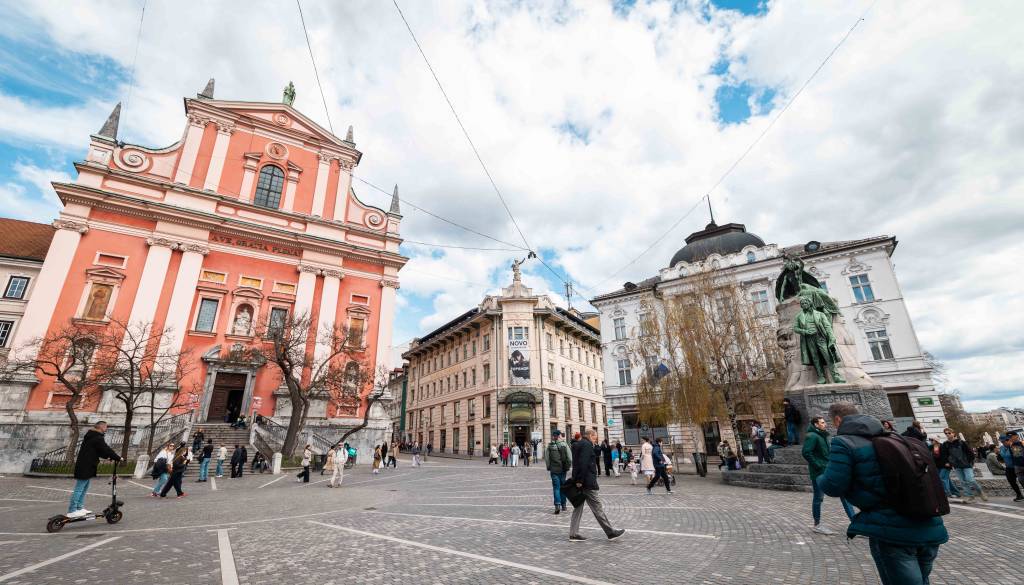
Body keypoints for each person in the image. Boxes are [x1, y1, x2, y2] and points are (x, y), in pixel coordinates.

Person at [817, 402, 947, 585]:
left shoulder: (843, 442)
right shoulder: (898, 438)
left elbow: (833, 485)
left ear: (837, 420)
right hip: (929, 522)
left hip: (892, 530)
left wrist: (819, 478)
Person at [568, 429, 625, 542]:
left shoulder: (579, 444)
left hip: (580, 481)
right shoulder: (586, 445)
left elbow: (577, 463)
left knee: (578, 507)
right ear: (590, 435)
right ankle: (610, 532)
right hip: (586, 482)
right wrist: (580, 480)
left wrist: (577, 479)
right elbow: (583, 463)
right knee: (597, 507)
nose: (596, 438)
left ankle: (573, 534)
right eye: (595, 437)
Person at [802, 416, 856, 534]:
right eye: (822, 422)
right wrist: (818, 465)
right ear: (816, 425)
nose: (825, 424)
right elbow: (806, 452)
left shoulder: (823, 435)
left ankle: (855, 523)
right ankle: (817, 525)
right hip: (819, 472)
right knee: (818, 498)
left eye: (824, 422)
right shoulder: (812, 436)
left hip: (829, 469)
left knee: (844, 494)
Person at [68, 421, 121, 517]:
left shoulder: (92, 436)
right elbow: (106, 449)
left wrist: (108, 457)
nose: (106, 429)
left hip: (87, 465)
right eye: (106, 427)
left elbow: (98, 450)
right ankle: (72, 510)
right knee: (79, 489)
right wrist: (118, 457)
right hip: (85, 465)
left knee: (84, 487)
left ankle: (79, 508)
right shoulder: (97, 437)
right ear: (101, 427)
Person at [942, 428, 987, 503]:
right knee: (963, 481)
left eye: (949, 433)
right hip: (956, 465)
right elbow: (944, 455)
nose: (947, 435)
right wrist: (948, 462)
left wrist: (969, 462)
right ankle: (970, 496)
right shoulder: (945, 444)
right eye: (946, 433)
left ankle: (980, 492)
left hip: (966, 464)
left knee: (970, 479)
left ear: (953, 433)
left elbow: (970, 453)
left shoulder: (961, 442)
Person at [545, 429, 571, 514]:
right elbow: (570, 458)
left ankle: (557, 505)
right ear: (559, 436)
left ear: (553, 436)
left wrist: (549, 467)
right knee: (563, 487)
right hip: (563, 469)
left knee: (556, 488)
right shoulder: (564, 444)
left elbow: (547, 459)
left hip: (554, 470)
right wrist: (567, 467)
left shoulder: (550, 446)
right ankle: (564, 505)